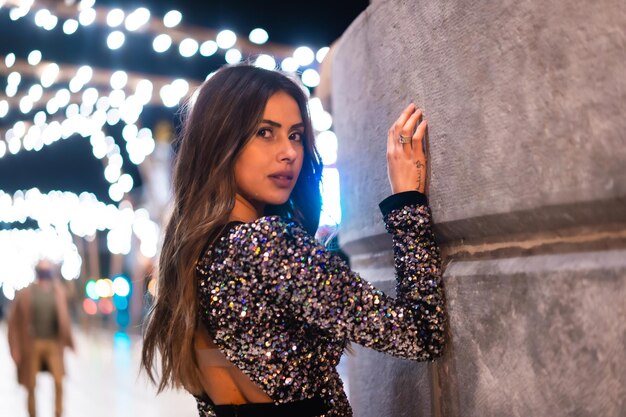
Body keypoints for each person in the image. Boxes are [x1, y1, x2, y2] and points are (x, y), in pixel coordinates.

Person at [141, 64, 446, 417]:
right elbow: (420, 333)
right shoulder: (267, 245)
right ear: (220, 139)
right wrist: (407, 203)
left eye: (297, 135)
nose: (289, 152)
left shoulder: (193, 254)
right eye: (265, 133)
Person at [8, 259, 75, 417]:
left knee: (59, 381)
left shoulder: (57, 292)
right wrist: (15, 349)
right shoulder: (26, 294)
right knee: (30, 384)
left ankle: (58, 413)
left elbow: (68, 304)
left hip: (53, 344)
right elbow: (13, 324)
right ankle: (32, 414)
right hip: (32, 344)